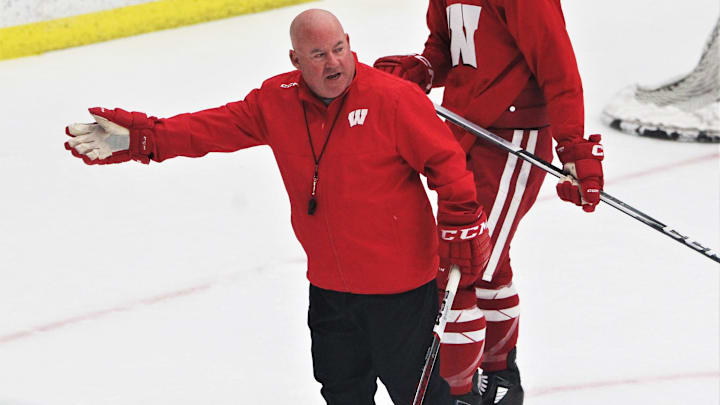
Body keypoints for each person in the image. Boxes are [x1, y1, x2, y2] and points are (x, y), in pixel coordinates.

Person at [64, 9, 493, 405]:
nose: (333, 63)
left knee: (418, 396)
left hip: (398, 291)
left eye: (339, 49)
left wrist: (460, 223)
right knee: (340, 390)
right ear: (295, 60)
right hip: (329, 288)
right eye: (318, 54)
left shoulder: (393, 99)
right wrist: (146, 138)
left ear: (349, 43)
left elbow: (448, 168)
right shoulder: (277, 101)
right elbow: (210, 128)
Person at [374, 1, 605, 404]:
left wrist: (573, 147)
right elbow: (449, 45)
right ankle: (500, 381)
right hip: (464, 128)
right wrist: (424, 68)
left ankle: (457, 394)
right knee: (488, 265)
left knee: (460, 269)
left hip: (513, 138)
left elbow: (557, 64)